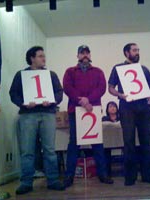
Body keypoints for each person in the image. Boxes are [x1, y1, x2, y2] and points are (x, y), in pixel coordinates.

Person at [9, 46, 65, 195]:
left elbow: (59, 92)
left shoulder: (51, 75)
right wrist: (23, 103)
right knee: (27, 150)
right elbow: (13, 93)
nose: (43, 58)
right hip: (28, 115)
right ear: (32, 58)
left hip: (48, 114)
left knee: (49, 150)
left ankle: (52, 180)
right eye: (40, 56)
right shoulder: (21, 75)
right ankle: (26, 182)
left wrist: (52, 101)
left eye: (43, 56)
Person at [108, 43, 150, 186]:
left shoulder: (144, 69)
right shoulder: (118, 68)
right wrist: (121, 95)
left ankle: (147, 175)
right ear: (126, 53)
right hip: (126, 107)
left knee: (146, 142)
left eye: (138, 50)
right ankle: (130, 177)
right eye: (134, 50)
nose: (137, 52)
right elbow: (110, 88)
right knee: (129, 142)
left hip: (144, 107)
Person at [63, 45, 114, 187]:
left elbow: (102, 88)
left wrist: (88, 101)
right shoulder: (70, 71)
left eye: (87, 52)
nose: (85, 55)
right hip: (75, 111)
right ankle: (69, 177)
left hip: (93, 111)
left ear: (90, 55)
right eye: (82, 53)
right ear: (77, 55)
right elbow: (67, 88)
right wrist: (82, 101)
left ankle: (102, 175)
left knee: (97, 144)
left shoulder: (98, 71)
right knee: (74, 144)